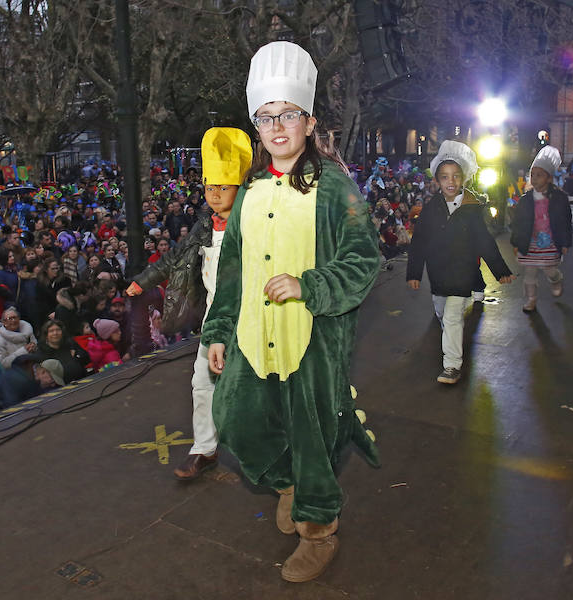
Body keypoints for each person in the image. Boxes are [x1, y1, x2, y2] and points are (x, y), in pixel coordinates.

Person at [201, 42, 381, 582]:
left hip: (313, 340)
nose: (277, 126)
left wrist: (311, 285)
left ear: (309, 120)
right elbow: (231, 268)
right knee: (235, 421)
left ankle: (317, 529)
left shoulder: (334, 187)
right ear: (257, 124)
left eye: (289, 115)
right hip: (253, 336)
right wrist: (217, 330)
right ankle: (287, 484)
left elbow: (365, 258)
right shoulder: (251, 191)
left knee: (314, 437)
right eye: (266, 117)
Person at [127, 126, 252, 480]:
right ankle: (204, 448)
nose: (214, 194)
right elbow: (174, 260)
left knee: (255, 387)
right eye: (210, 187)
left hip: (251, 318)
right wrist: (143, 281)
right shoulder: (202, 226)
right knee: (202, 382)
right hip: (215, 318)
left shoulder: (255, 227)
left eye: (222, 187)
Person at [407, 140, 514, 384]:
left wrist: (500, 270)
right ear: (437, 181)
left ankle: (452, 366)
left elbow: (485, 241)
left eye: (456, 176)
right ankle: (448, 336)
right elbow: (419, 242)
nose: (451, 182)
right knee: (443, 312)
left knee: (453, 317)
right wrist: (414, 273)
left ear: (463, 178)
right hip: (439, 273)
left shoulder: (471, 209)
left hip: (463, 272)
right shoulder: (431, 208)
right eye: (445, 177)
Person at [510, 146, 572, 312]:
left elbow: (565, 222)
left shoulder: (559, 198)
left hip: (550, 242)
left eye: (540, 175)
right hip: (530, 242)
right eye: (533, 175)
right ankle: (531, 299)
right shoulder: (525, 200)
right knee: (529, 273)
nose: (535, 179)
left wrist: (565, 242)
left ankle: (556, 279)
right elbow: (518, 222)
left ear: (549, 178)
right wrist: (516, 241)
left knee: (549, 269)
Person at [36, 319, 90, 383]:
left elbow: (87, 357)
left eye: (58, 330)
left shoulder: (70, 344)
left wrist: (77, 356)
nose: (55, 333)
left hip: (83, 381)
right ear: (46, 335)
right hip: (61, 388)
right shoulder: (42, 352)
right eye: (51, 331)